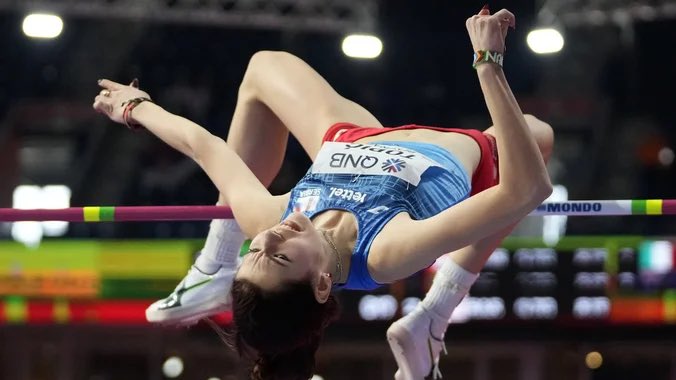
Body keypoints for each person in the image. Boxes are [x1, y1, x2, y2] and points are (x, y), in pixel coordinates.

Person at [93, 7, 553, 380]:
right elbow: (527, 189)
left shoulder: (270, 222)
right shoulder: (386, 253)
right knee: (537, 135)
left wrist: (135, 108)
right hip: (462, 154)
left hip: (355, 139)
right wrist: (488, 65)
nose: (270, 239)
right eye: (278, 258)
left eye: (255, 251)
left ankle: (214, 266)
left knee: (264, 67)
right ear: (320, 284)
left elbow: (205, 146)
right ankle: (435, 313)